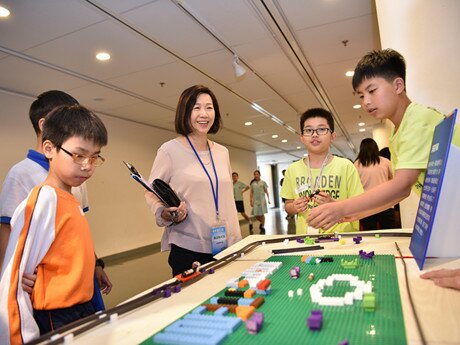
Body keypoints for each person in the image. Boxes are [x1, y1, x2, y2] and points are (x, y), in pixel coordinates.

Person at [308, 48, 458, 230]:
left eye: (372, 91)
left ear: (398, 86)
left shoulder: (417, 121)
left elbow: (401, 186)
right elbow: (399, 195)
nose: (366, 102)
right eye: (361, 96)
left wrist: (341, 208)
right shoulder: (399, 131)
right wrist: (347, 214)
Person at [0, 104, 108, 343]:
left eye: (94, 157)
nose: (87, 165)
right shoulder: (44, 198)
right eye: (79, 155)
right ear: (49, 148)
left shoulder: (70, 199)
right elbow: (13, 282)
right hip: (56, 315)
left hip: (81, 305)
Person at [144, 85, 242, 277]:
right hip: (188, 247)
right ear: (185, 112)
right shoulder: (169, 151)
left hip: (225, 244)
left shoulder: (222, 152)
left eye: (209, 107)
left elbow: (225, 197)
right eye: (196, 108)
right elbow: (150, 191)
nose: (203, 114)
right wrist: (162, 212)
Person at [280, 108, 363, 234]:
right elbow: (288, 206)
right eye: (308, 130)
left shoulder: (346, 166)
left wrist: (334, 204)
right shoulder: (293, 169)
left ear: (332, 136)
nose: (314, 134)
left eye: (321, 129)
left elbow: (359, 206)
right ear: (302, 138)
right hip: (307, 240)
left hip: (343, 239)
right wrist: (294, 207)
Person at [354, 138, 395, 230]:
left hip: (366, 206)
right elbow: (393, 180)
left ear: (361, 149)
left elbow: (355, 185)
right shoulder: (386, 162)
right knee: (390, 233)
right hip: (386, 203)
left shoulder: (357, 164)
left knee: (370, 235)